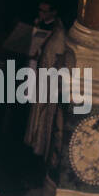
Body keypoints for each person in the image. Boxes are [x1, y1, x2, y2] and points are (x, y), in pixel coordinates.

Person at [22, 9, 75, 159]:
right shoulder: (40, 25)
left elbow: (56, 57)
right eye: (39, 10)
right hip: (36, 73)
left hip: (48, 79)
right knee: (33, 113)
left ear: (54, 11)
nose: (41, 14)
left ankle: (38, 150)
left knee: (44, 116)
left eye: (45, 11)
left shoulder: (59, 33)